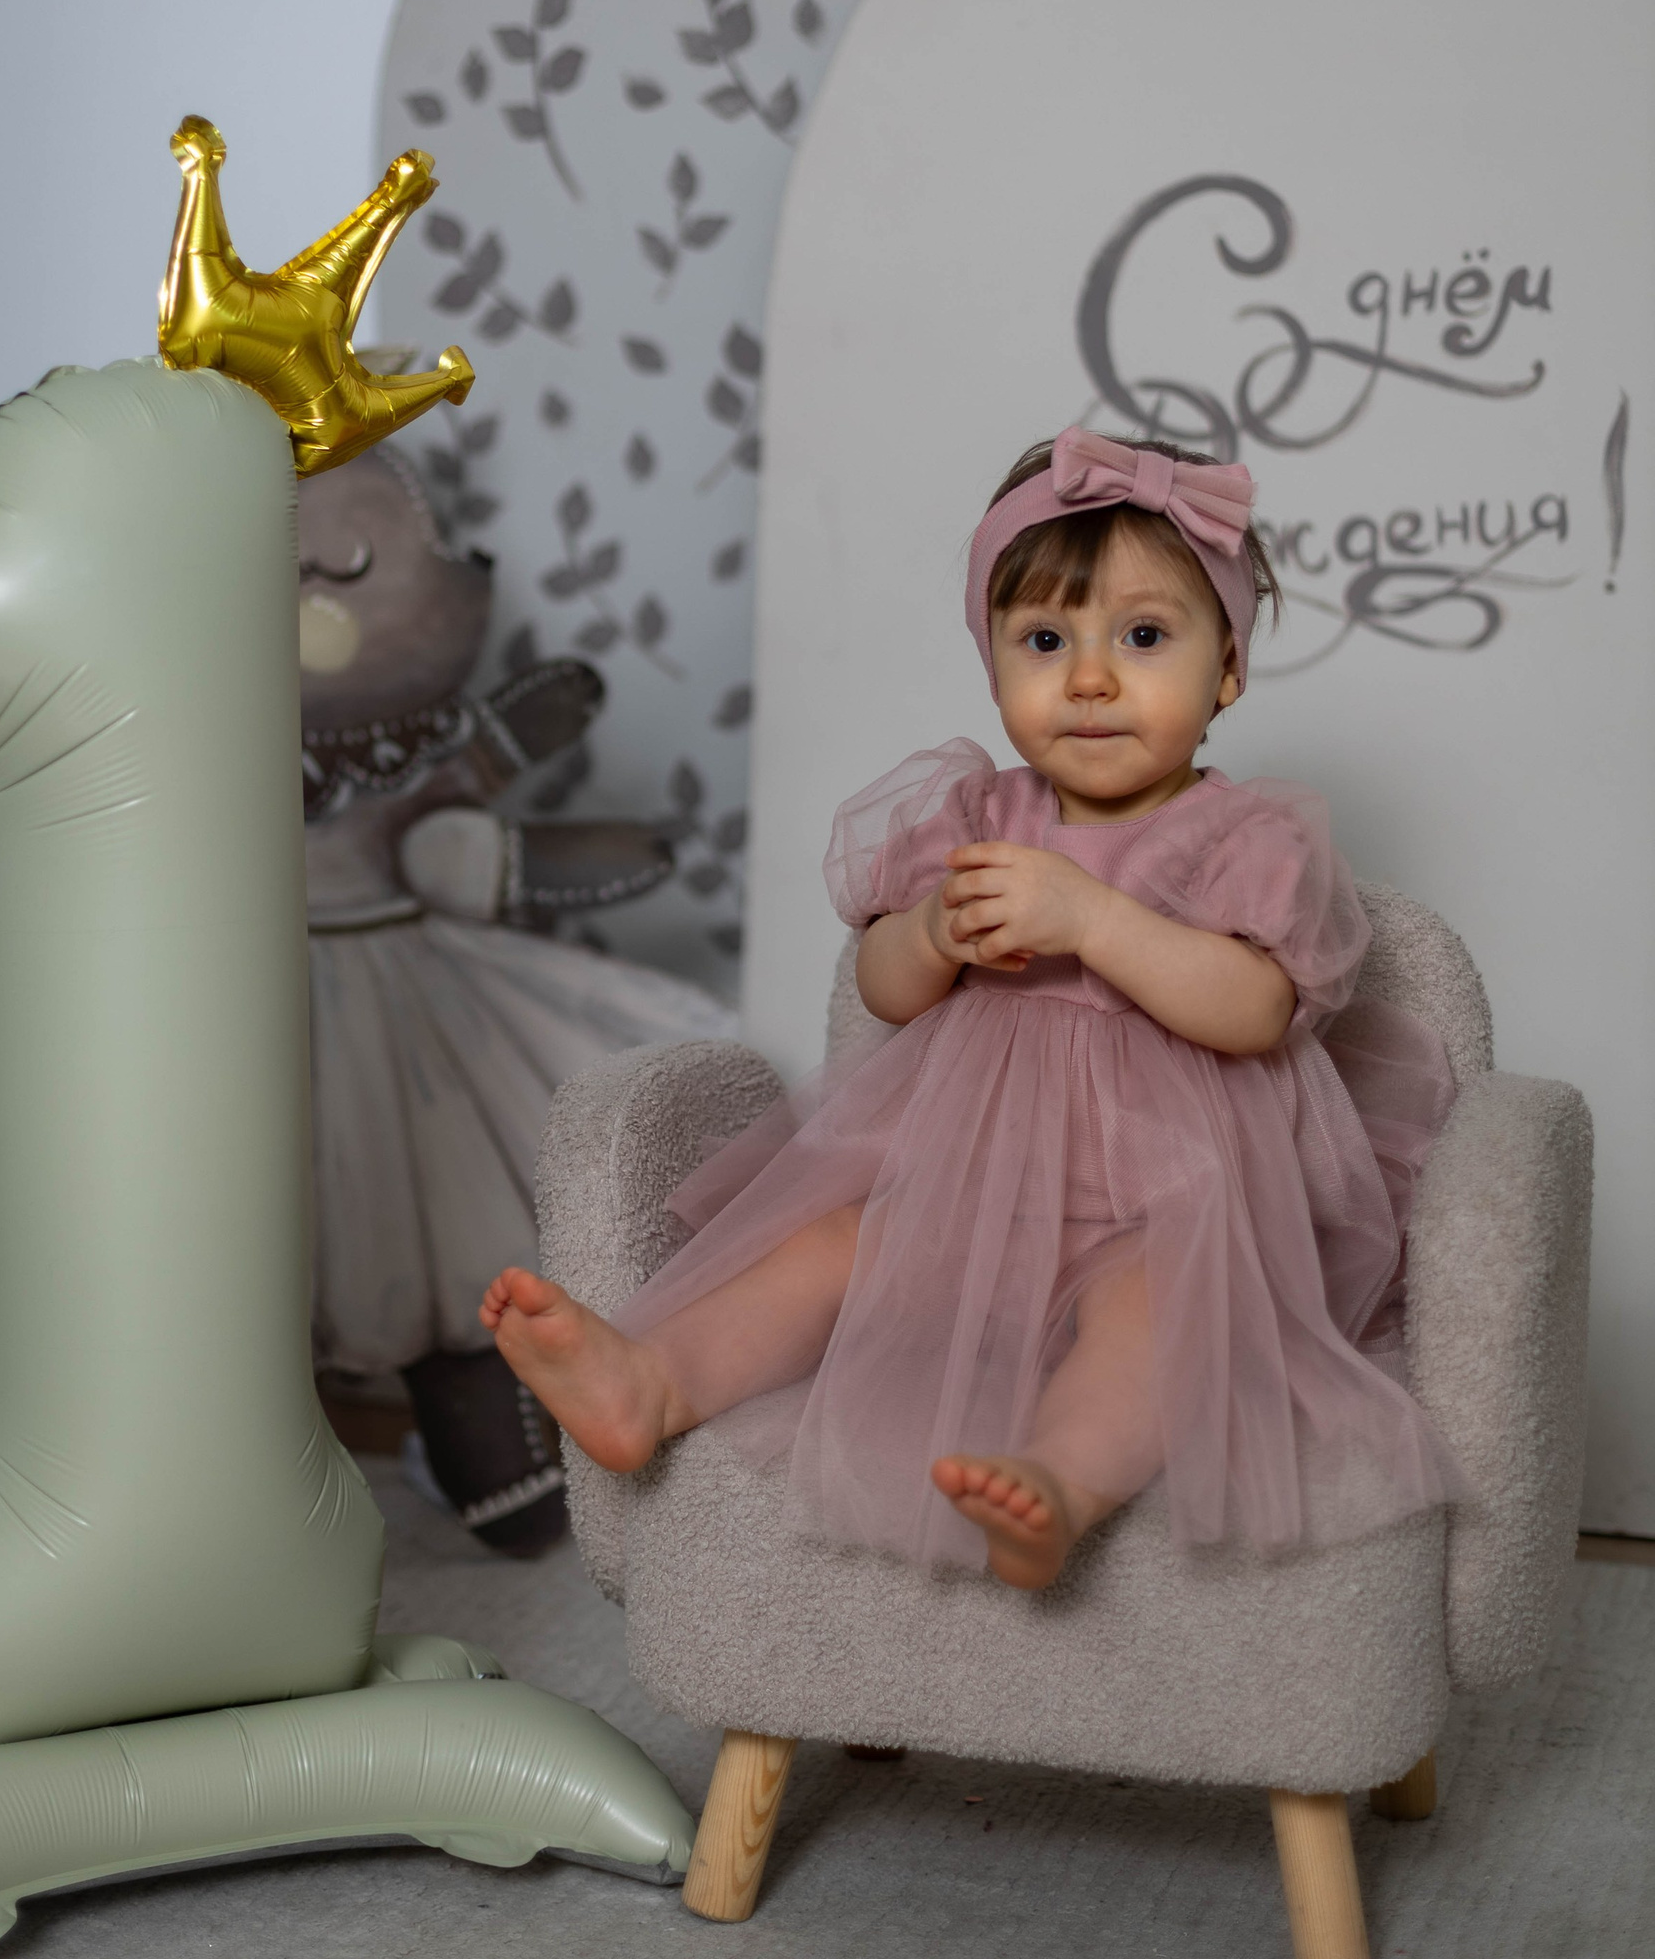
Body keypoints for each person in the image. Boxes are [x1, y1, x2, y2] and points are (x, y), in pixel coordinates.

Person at [482, 427, 1462, 1588]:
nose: (1089, 679)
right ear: (993, 665)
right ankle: (649, 1382)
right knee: (833, 1246)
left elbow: (1256, 1010)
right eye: (1044, 640)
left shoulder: (1244, 838)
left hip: (1167, 1212)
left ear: (1228, 671)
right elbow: (884, 993)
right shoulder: (976, 816)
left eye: (1144, 637)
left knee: (1163, 1317)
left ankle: (1059, 1481)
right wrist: (932, 935)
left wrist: (1093, 919)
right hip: (970, 1198)